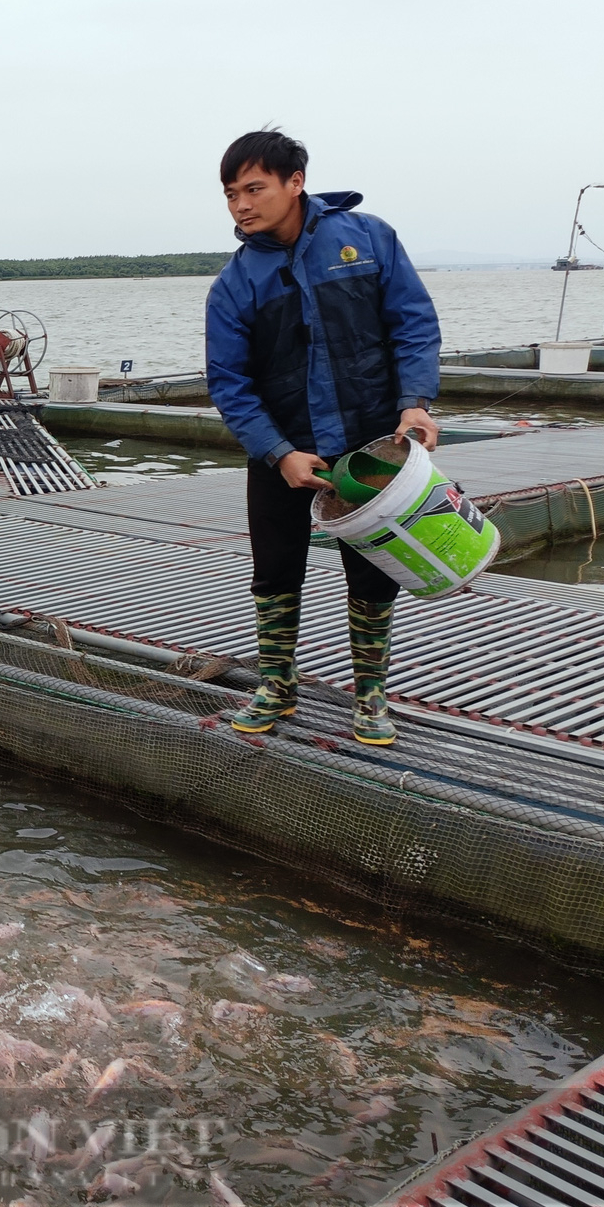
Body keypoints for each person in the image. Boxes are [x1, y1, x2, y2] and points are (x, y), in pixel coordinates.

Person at [204, 129, 441, 746]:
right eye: (231, 194)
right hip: (283, 448)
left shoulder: (368, 240)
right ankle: (276, 684)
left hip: (370, 442)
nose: (241, 205)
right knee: (275, 566)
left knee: (374, 569)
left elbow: (413, 324)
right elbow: (229, 383)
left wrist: (414, 405)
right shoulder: (234, 284)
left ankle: (370, 695)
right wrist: (278, 453)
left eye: (254, 188)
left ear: (296, 182)